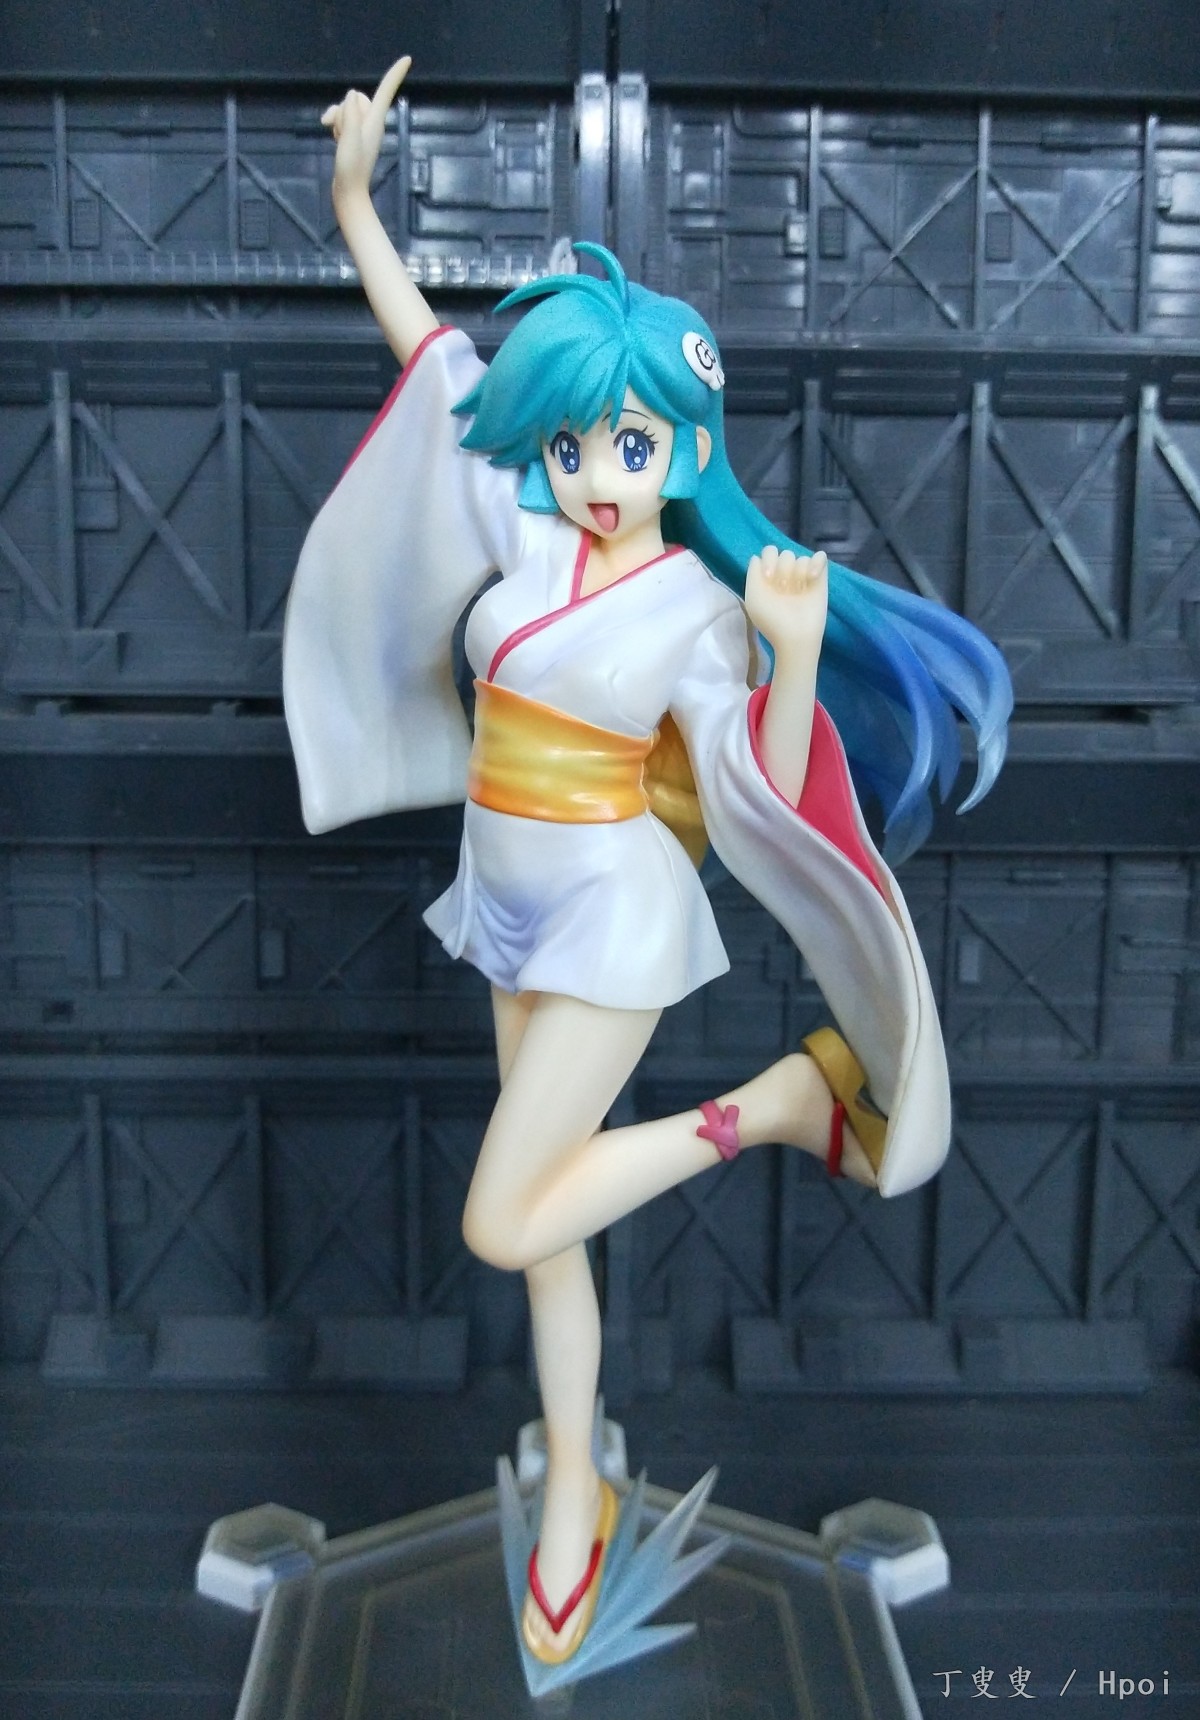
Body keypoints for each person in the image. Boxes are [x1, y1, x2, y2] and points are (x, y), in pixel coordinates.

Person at [283, 57, 1012, 1667]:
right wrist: (353, 202)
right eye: (574, 444)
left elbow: (758, 768)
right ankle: (575, 1492)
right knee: (549, 1227)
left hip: (610, 911)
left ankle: (779, 1107)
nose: (596, 474)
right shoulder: (522, 526)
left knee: (501, 1217)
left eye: (628, 443)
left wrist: (796, 654)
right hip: (502, 897)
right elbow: (433, 364)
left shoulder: (694, 605)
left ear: (679, 446)